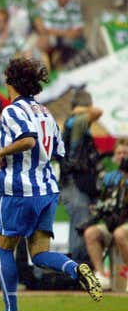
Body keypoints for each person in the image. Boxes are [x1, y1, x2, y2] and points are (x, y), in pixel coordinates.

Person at [0, 57, 102, 311]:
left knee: (4, 249)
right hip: (47, 190)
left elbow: (27, 140)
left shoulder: (12, 111)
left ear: (10, 82)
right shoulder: (45, 112)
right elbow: (57, 152)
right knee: (39, 255)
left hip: (19, 191)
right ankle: (77, 269)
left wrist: (1, 153)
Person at [60, 89, 103, 263]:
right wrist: (82, 109)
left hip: (74, 183)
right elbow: (98, 112)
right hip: (74, 183)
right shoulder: (77, 122)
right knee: (80, 226)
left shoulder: (73, 124)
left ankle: (77, 271)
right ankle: (78, 271)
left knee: (79, 225)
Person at [83, 140, 128, 290]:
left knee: (120, 233)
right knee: (91, 233)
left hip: (124, 226)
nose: (122, 156)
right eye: (119, 153)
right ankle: (101, 277)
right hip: (113, 222)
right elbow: (102, 201)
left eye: (125, 153)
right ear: (114, 157)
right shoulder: (109, 178)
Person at [35, 0, 85, 67]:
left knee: (80, 43)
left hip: (66, 37)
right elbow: (46, 29)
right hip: (52, 36)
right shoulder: (48, 5)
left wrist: (74, 32)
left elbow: (78, 28)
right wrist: (65, 33)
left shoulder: (74, 6)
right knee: (44, 42)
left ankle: (69, 67)